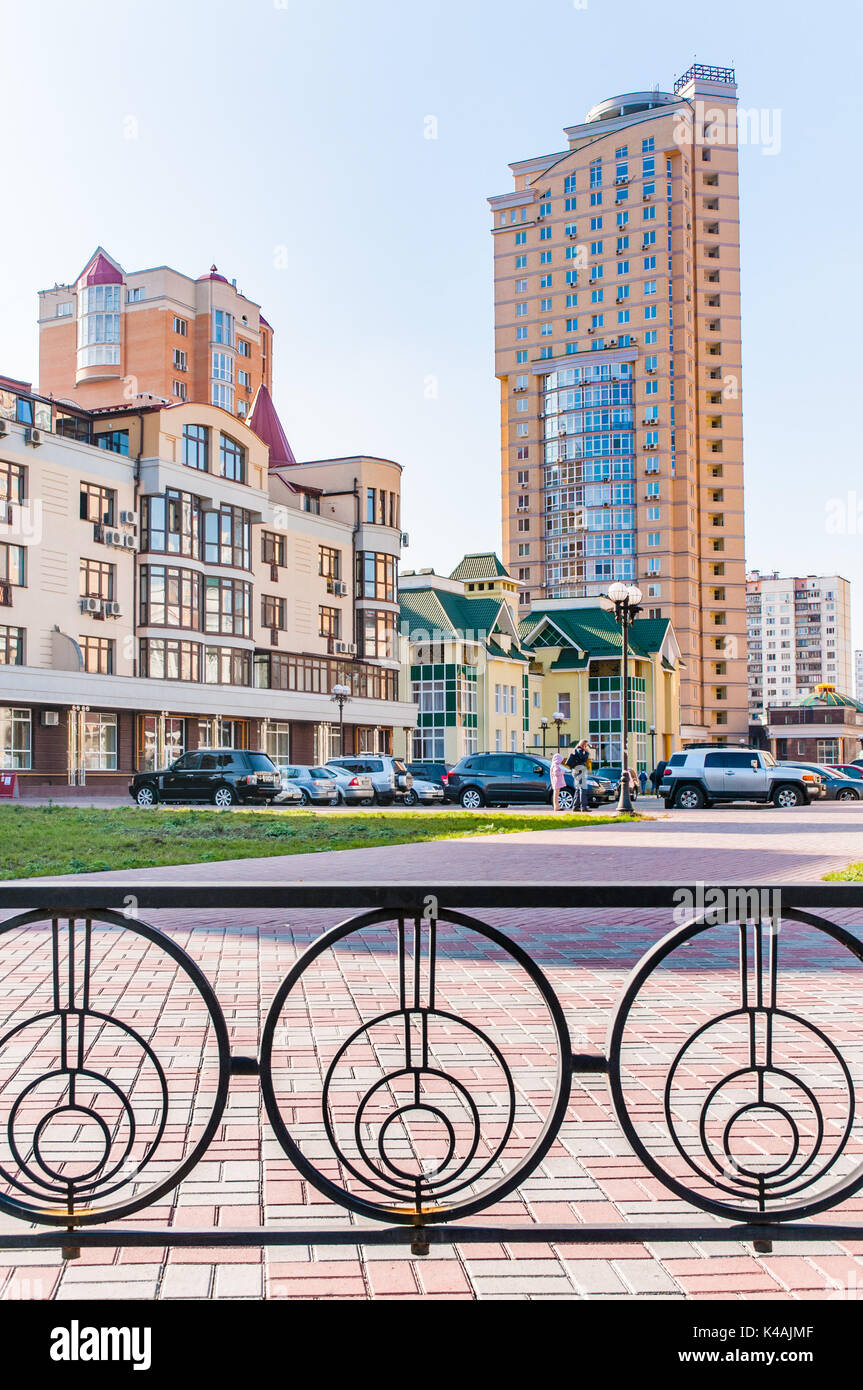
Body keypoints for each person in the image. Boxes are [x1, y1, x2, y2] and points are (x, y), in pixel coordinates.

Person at [565, 739, 591, 812]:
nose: (587, 747)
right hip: (579, 770)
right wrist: (587, 752)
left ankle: (575, 806)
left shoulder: (576, 750)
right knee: (583, 788)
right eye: (586, 745)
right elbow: (583, 758)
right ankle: (584, 807)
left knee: (578, 789)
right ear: (583, 745)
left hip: (576, 770)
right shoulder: (579, 750)